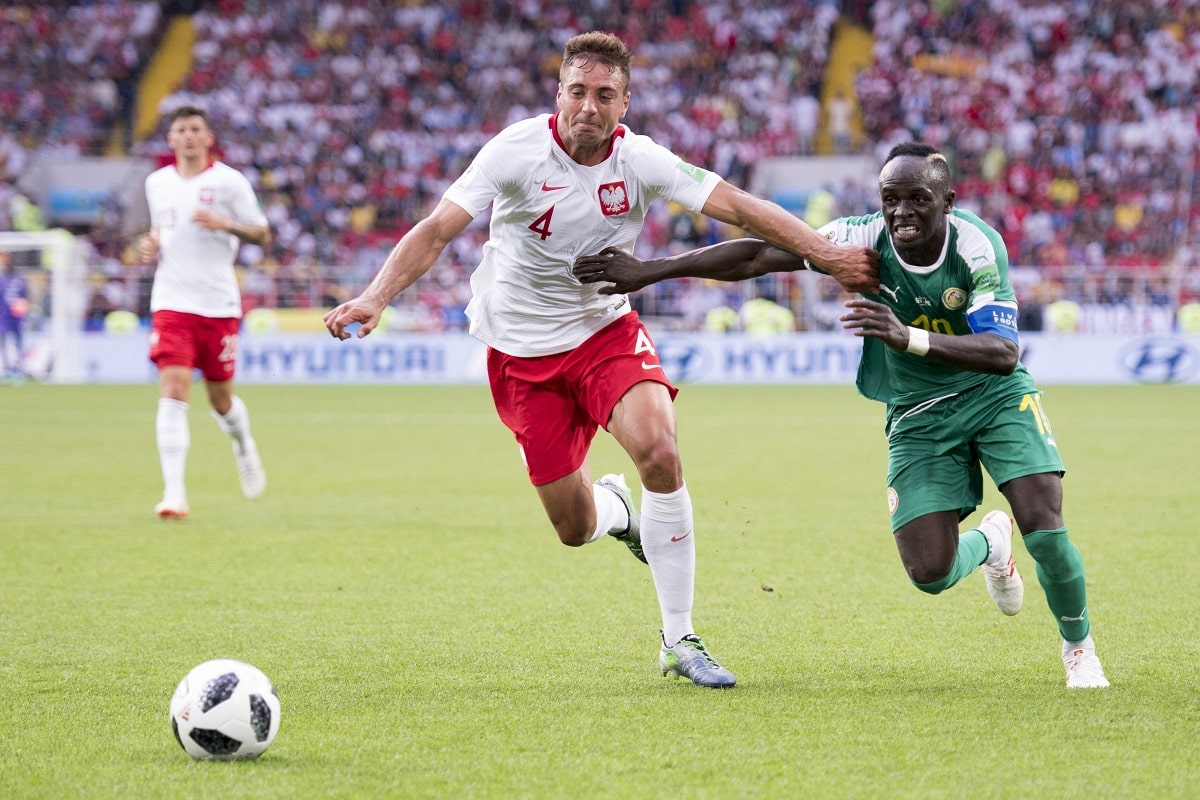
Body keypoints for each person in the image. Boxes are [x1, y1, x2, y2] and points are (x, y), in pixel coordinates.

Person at [325, 31, 879, 689]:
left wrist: (828, 253)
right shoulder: (514, 151)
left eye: (605, 95)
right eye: (578, 92)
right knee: (573, 526)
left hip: (604, 334)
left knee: (659, 452)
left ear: (624, 103)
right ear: (559, 93)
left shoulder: (639, 160)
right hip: (522, 354)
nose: (589, 106)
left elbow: (738, 207)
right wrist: (375, 295)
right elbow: (436, 230)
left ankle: (680, 638)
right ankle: (616, 512)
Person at [573, 142, 1109, 689]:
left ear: (948, 201)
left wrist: (908, 337)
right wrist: (651, 271)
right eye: (890, 199)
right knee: (930, 572)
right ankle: (991, 543)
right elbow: (760, 256)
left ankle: (1078, 648)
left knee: (1043, 522)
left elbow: (1003, 352)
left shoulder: (976, 244)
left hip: (994, 396)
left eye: (917, 198)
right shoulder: (859, 238)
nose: (901, 212)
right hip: (918, 412)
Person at [138, 105, 270, 520]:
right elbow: (163, 227)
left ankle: (243, 445)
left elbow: (262, 232)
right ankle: (174, 494)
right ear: (171, 139)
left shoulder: (229, 182)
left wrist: (223, 223)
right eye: (181, 129)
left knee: (220, 400)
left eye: (196, 129)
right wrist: (152, 243)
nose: (189, 136)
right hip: (172, 302)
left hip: (218, 304)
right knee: (174, 391)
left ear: (209, 137)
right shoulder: (156, 183)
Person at [0, 250, 29, 378]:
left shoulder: (20, 278)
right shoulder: (2, 279)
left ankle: (19, 368)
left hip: (17, 317)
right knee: (4, 341)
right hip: (3, 316)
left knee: (18, 342)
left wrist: (23, 306)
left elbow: (26, 296)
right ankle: (7, 368)